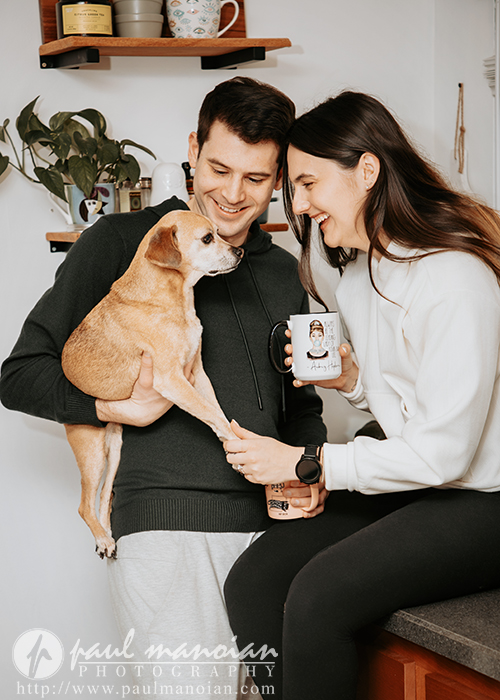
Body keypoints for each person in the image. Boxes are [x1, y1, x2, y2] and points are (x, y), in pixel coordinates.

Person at [0, 77, 328, 699]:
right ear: (192, 149)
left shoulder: (286, 273)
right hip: (163, 532)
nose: (232, 196)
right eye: (218, 168)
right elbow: (19, 373)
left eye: (256, 180)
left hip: (270, 539)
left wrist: (306, 468)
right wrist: (107, 404)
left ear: (280, 179)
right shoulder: (122, 243)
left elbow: (304, 405)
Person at [222, 90, 500, 700]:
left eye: (308, 182)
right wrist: (354, 383)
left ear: (367, 171)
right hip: (424, 481)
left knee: (319, 597)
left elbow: (445, 455)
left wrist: (307, 461)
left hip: (484, 498)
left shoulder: (456, 278)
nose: (299, 204)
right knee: (253, 582)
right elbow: (409, 415)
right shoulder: (357, 277)